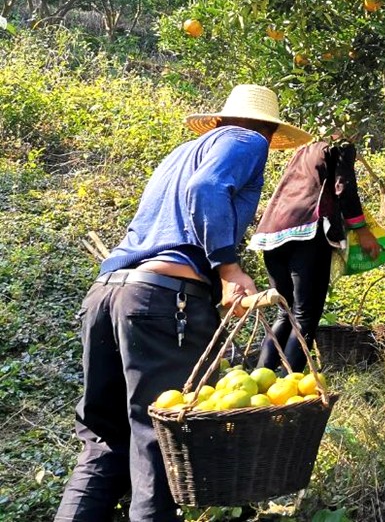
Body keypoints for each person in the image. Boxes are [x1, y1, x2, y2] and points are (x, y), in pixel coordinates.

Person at [55, 84, 311, 522]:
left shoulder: (181, 153)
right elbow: (207, 188)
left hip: (108, 294)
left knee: (105, 439)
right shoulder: (248, 140)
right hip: (161, 300)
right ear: (269, 130)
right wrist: (227, 269)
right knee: (161, 437)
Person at [250, 137, 381, 373]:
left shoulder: (303, 149)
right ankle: (289, 386)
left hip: (271, 233)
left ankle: (261, 379)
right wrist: (362, 229)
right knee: (304, 315)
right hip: (307, 231)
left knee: (285, 310)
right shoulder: (341, 144)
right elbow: (344, 187)